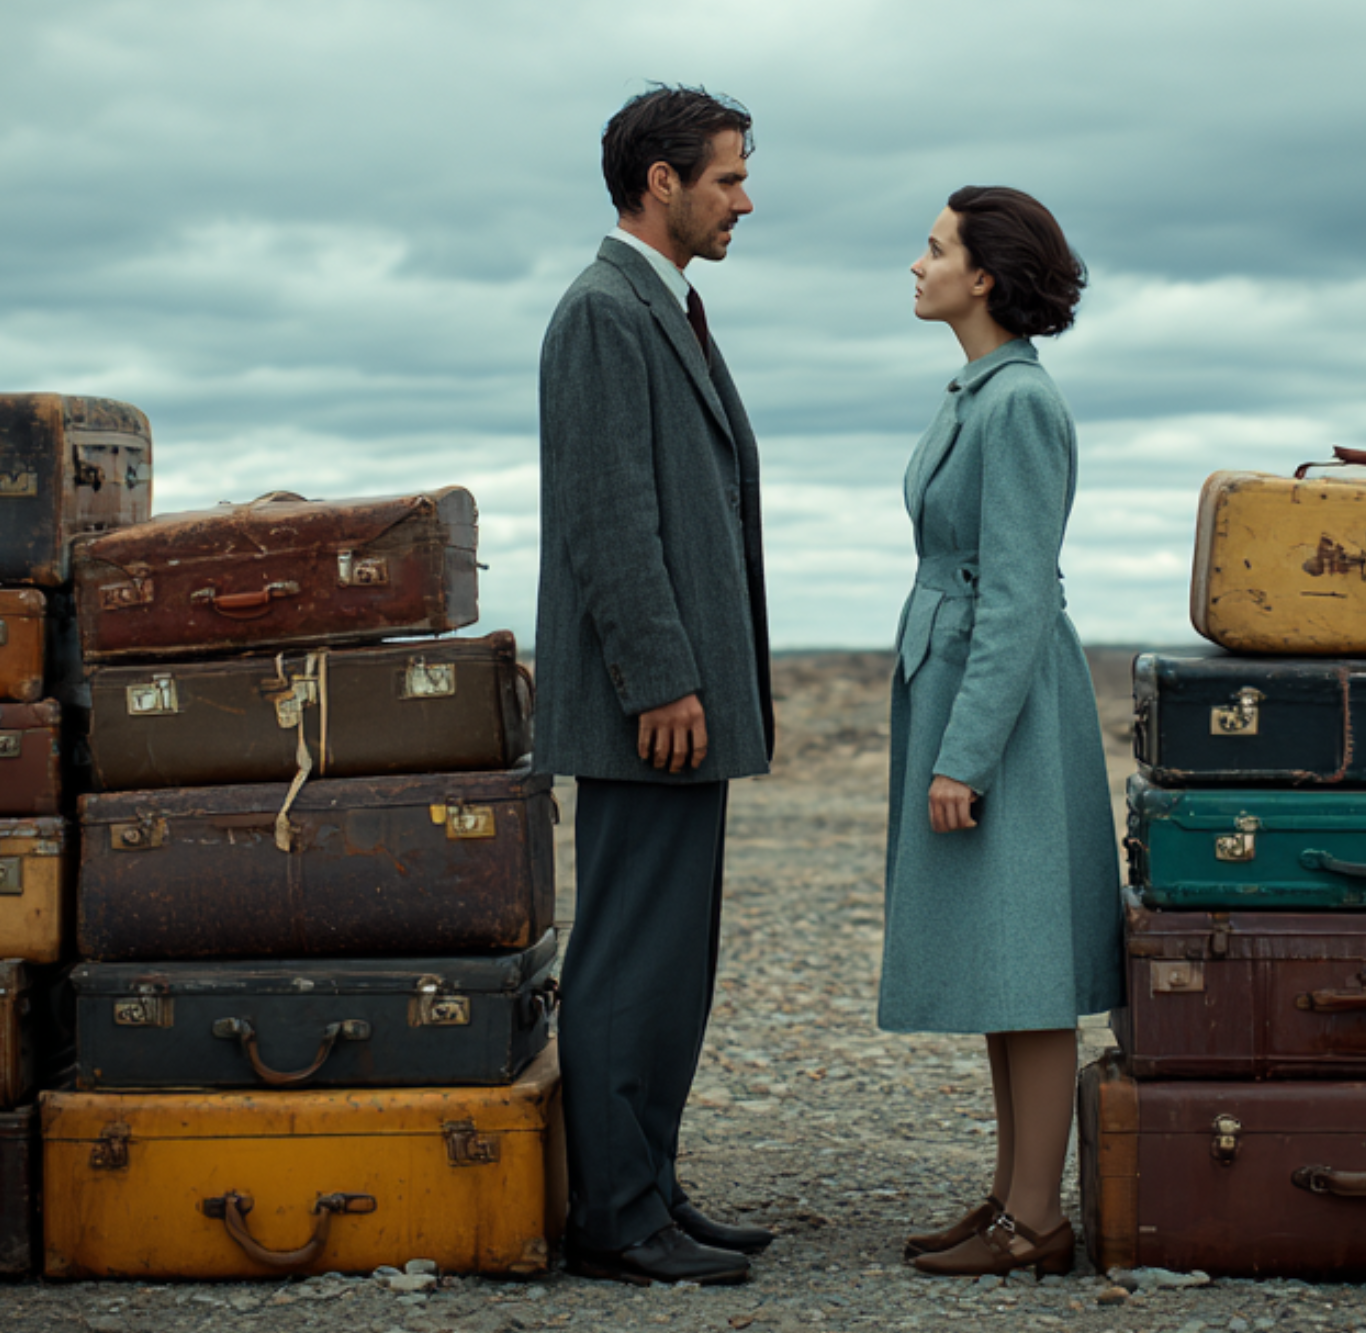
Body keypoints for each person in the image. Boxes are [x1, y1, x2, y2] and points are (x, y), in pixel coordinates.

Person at [534, 84, 776, 1288]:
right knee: (631, 954)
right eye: (726, 177)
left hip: (682, 705)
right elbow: (607, 518)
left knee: (673, 959)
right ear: (660, 182)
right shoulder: (600, 311)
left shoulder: (660, 307)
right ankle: (614, 1218)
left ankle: (649, 1187)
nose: (744, 198)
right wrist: (660, 679)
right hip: (651, 707)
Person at [880, 186, 1121, 1278]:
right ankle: (1009, 1199)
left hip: (1006, 706)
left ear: (983, 276)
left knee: (1023, 963)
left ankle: (1038, 1218)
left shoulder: (1016, 401)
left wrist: (964, 754)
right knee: (998, 960)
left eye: (934, 249)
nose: (916, 264)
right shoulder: (976, 392)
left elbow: (1018, 592)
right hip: (970, 682)